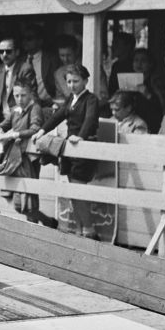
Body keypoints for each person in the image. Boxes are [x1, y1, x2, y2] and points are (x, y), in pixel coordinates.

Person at [32, 64, 100, 237]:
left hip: (83, 149)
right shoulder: (71, 99)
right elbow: (58, 116)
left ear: (85, 81)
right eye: (69, 81)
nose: (72, 85)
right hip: (70, 150)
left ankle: (89, 230)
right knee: (72, 192)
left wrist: (81, 136)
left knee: (78, 191)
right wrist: (41, 131)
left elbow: (90, 120)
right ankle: (79, 229)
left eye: (76, 81)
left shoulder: (91, 99)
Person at [0, 77, 44, 220]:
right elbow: (4, 124)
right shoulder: (15, 110)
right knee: (18, 201)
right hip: (15, 157)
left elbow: (35, 128)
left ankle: (38, 226)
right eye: (16, 95)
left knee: (29, 200)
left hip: (28, 158)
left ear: (31, 94)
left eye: (23, 95)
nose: (20, 99)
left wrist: (13, 135)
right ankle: (47, 222)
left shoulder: (35, 108)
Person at [16, 24, 59, 115]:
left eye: (29, 38)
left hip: (49, 106)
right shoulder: (19, 61)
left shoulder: (52, 59)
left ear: (40, 41)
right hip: (26, 107)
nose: (25, 41)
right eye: (23, 38)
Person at [131, 47, 165, 134]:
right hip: (132, 125)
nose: (139, 64)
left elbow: (164, 105)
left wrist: (148, 95)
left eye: (143, 61)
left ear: (150, 64)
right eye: (136, 60)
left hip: (152, 125)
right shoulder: (128, 80)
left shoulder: (157, 81)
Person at [106, 30, 136, 98]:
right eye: (113, 43)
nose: (113, 47)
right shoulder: (116, 65)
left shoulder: (133, 66)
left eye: (117, 44)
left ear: (128, 46)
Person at [53, 35, 81, 102]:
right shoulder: (58, 73)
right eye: (62, 55)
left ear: (76, 52)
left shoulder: (89, 66)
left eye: (69, 55)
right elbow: (59, 98)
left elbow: (104, 96)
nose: (65, 59)